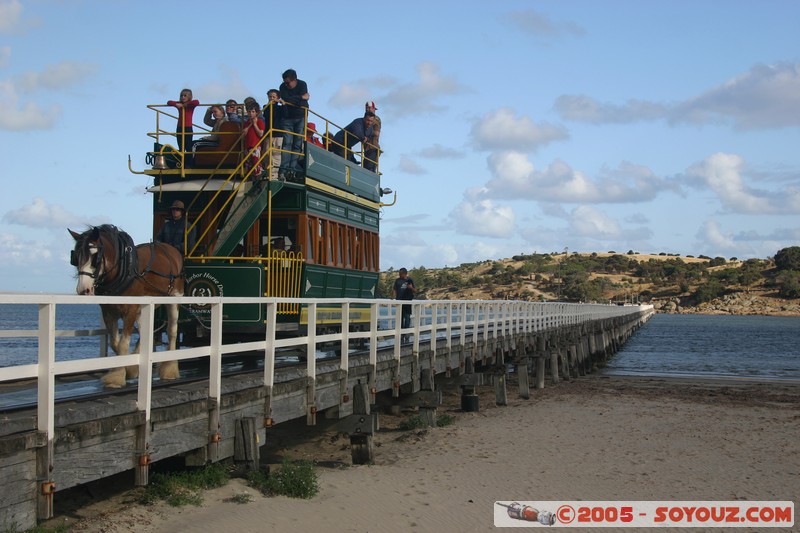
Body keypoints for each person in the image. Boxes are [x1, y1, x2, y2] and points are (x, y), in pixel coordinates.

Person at [279, 68, 310, 176]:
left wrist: (289, 100)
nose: (286, 85)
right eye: (285, 83)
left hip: (301, 116)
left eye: (288, 83)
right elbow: (286, 98)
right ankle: (283, 170)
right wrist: (302, 97)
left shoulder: (302, 84)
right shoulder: (282, 87)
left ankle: (291, 171)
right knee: (287, 143)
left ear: (294, 80)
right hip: (288, 117)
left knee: (297, 144)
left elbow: (288, 100)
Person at [167, 88, 200, 155]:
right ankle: (182, 161)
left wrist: (185, 105)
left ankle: (189, 163)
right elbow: (169, 102)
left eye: (185, 95)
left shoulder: (190, 105)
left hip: (188, 128)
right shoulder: (179, 104)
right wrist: (176, 104)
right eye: (181, 95)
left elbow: (197, 102)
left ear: (189, 97)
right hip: (179, 127)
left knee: (188, 147)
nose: (183, 97)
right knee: (181, 147)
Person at [242, 100, 266, 178]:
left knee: (256, 164)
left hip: (255, 146)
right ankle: (251, 179)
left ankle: (258, 177)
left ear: (256, 112)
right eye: (249, 112)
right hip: (247, 146)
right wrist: (244, 132)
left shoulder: (260, 122)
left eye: (253, 111)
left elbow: (260, 134)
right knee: (249, 165)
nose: (251, 114)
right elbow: (243, 136)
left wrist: (255, 124)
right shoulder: (246, 123)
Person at [265, 89, 284, 180]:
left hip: (278, 133)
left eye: (274, 97)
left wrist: (282, 104)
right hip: (268, 133)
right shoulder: (266, 107)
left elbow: (286, 114)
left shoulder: (281, 108)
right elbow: (267, 114)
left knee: (276, 154)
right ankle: (268, 173)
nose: (272, 98)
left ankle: (274, 175)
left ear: (278, 98)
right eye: (270, 97)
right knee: (267, 154)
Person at [363, 101, 381, 172]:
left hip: (372, 147)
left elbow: (376, 133)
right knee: (367, 168)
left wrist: (364, 133)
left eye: (371, 108)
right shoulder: (365, 118)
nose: (370, 110)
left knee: (369, 169)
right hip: (367, 148)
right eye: (368, 108)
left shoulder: (375, 119)